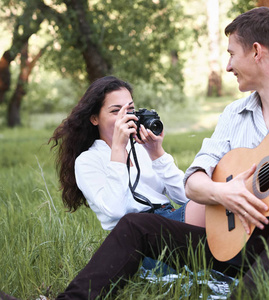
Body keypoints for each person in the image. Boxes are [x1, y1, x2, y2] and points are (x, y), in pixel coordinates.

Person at [53, 7, 269, 299]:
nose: (228, 65)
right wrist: (222, 192)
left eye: (232, 54)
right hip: (239, 245)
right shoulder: (234, 114)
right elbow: (192, 184)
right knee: (135, 226)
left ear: (257, 52)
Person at [49, 76, 205, 230]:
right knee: (215, 204)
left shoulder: (141, 148)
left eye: (130, 109)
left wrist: (157, 154)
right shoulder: (88, 160)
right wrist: (117, 149)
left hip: (170, 217)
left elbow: (187, 196)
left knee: (210, 197)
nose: (126, 117)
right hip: (137, 230)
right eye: (116, 111)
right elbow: (115, 211)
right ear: (94, 118)